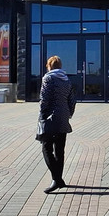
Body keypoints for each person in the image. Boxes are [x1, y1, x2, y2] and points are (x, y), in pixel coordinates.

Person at [37, 55, 76, 193]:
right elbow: (72, 100)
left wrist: (42, 117)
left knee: (46, 148)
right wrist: (69, 114)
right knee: (60, 150)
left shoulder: (48, 78)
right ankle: (59, 180)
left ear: (49, 66)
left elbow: (44, 99)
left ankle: (57, 180)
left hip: (50, 117)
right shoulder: (66, 80)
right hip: (63, 117)